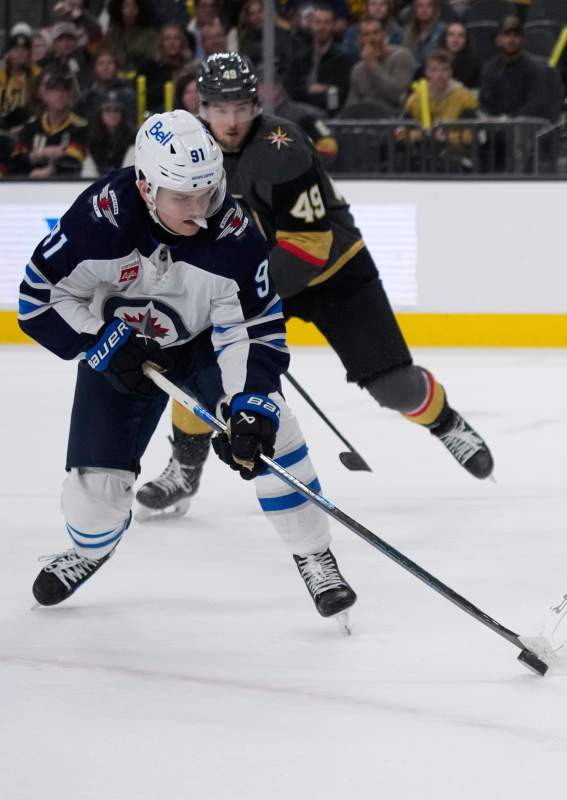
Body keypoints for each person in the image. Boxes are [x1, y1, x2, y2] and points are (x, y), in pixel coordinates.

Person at [18, 110, 356, 624]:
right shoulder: (99, 220)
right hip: (115, 352)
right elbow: (37, 300)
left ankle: (314, 553)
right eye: (183, 197)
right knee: (91, 503)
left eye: (207, 191)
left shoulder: (236, 236)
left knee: (274, 430)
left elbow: (256, 329)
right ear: (145, 185)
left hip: (202, 348)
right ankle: (90, 550)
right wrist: (100, 343)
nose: (200, 210)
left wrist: (249, 405)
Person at [134, 53, 494, 519]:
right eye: (220, 108)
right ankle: (184, 468)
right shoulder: (193, 153)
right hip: (256, 275)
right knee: (197, 365)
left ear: (255, 104)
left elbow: (310, 244)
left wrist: (242, 293)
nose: (231, 119)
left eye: (241, 106)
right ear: (202, 107)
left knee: (394, 387)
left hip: (333, 272)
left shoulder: (281, 147)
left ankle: (447, 423)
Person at [6, 69, 88, 178]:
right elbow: (15, 162)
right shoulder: (31, 127)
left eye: (64, 91)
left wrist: (49, 170)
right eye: (54, 90)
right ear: (45, 95)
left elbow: (73, 163)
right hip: (29, 185)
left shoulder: (80, 126)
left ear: (70, 96)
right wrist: (41, 154)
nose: (59, 95)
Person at [345, 16, 417, 113]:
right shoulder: (358, 70)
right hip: (365, 121)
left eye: (376, 32)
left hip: (394, 120)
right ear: (360, 39)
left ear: (384, 34)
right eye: (366, 34)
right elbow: (351, 107)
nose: (372, 38)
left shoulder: (402, 57)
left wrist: (372, 65)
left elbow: (398, 96)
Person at [83, 89, 135, 174]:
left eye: (116, 110)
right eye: (107, 110)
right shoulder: (91, 139)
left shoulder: (133, 138)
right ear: (100, 114)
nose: (112, 114)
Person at [1, 31, 41, 130]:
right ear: (8, 53)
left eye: (24, 50)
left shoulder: (37, 74)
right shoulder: (1, 73)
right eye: (16, 50)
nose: (20, 54)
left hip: (28, 125)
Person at [402, 0, 447, 68]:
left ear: (434, 9)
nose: (424, 9)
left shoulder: (444, 31)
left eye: (428, 6)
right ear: (415, 9)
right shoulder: (406, 32)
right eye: (420, 6)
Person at [439, 21, 480, 90]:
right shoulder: (434, 60)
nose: (455, 39)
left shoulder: (474, 64)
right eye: (451, 34)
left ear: (466, 41)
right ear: (444, 38)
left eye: (461, 35)